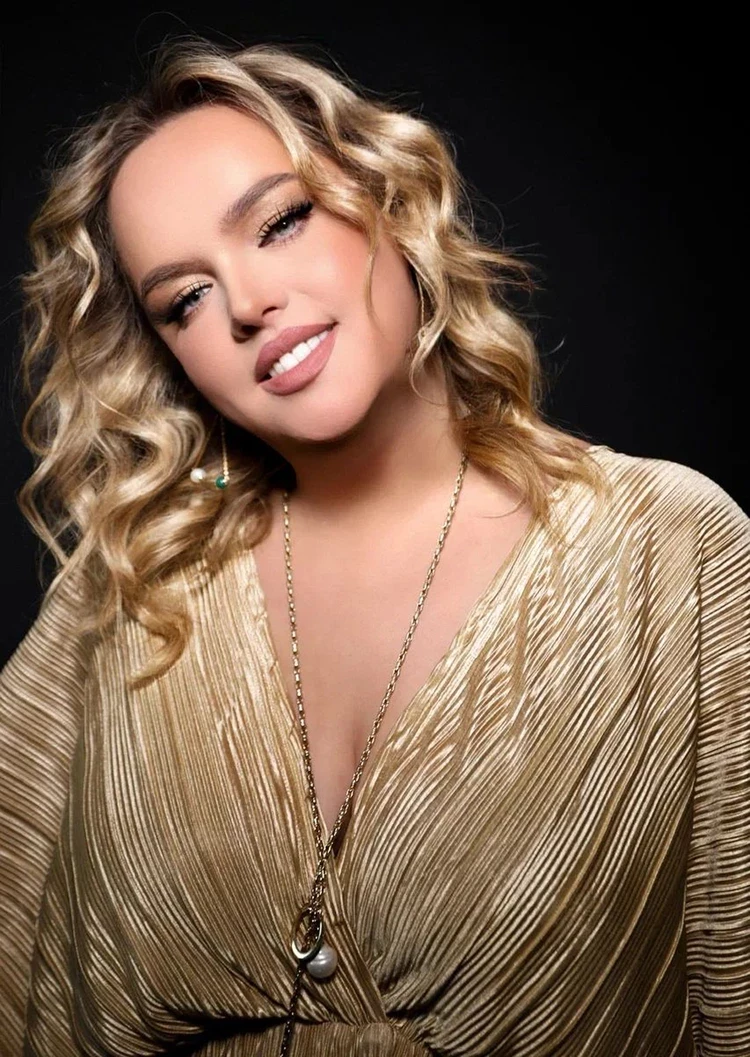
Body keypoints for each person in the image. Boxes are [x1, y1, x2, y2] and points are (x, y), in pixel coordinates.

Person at [0, 36, 747, 1057]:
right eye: (185, 299)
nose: (248, 305)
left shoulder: (672, 551)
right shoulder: (133, 580)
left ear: (386, 199)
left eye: (280, 222)